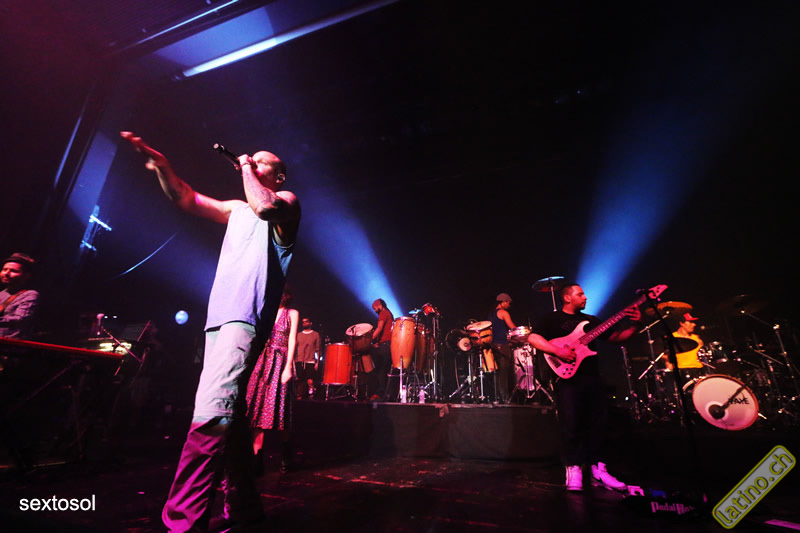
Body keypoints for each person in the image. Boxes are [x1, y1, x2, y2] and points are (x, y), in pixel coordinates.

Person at [120, 131, 300, 533]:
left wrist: (247, 167)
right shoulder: (236, 208)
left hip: (246, 316)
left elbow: (265, 206)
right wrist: (163, 167)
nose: (251, 160)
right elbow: (186, 198)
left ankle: (183, 520)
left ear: (279, 176)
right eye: (250, 158)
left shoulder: (286, 202)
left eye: (262, 160)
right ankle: (245, 506)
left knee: (212, 411)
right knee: (229, 414)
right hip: (218, 319)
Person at [527, 283, 641, 492]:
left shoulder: (592, 321)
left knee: (599, 424)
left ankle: (599, 469)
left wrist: (635, 324)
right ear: (567, 298)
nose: (585, 297)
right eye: (580, 294)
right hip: (568, 380)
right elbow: (533, 337)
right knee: (571, 424)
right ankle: (573, 468)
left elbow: (617, 338)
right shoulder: (552, 319)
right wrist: (558, 351)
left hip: (593, 378)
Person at [246, 288, 298, 474]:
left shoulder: (292, 313)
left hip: (280, 361)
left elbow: (292, 340)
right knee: (258, 409)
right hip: (263, 361)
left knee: (281, 408)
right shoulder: (264, 312)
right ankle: (257, 459)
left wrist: (288, 367)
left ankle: (286, 456)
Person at [0, 253, 40, 340]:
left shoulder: (30, 294)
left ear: (26, 275)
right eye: (4, 269)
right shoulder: (1, 294)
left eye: (13, 271)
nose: (6, 273)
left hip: (10, 345)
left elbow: (20, 319)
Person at [489, 293, 516, 403]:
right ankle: (505, 399)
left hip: (493, 345)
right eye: (508, 303)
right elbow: (513, 328)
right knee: (504, 372)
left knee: (498, 372)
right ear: (503, 302)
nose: (509, 305)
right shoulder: (504, 312)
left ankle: (498, 397)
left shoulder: (491, 314)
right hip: (503, 345)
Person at [664, 312, 704, 380]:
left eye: (694, 322)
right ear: (681, 323)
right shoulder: (672, 337)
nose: (694, 324)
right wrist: (668, 363)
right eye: (690, 322)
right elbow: (664, 354)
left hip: (698, 371)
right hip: (681, 371)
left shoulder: (697, 339)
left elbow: (704, 356)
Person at [369, 299, 393, 401]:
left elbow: (379, 328)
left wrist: (369, 340)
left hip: (385, 345)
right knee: (384, 370)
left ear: (379, 305)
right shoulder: (388, 313)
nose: (375, 311)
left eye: (375, 308)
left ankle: (379, 394)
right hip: (387, 344)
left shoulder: (383, 313)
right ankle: (386, 394)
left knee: (380, 370)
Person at [294, 317, 321, 399]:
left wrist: (317, 362)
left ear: (310, 323)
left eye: (306, 322)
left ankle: (311, 395)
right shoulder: (298, 335)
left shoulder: (315, 334)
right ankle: (299, 396)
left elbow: (317, 349)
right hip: (299, 360)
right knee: (299, 380)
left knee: (310, 380)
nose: (304, 323)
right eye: (303, 322)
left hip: (310, 360)